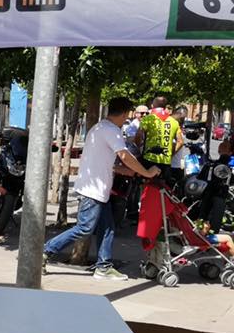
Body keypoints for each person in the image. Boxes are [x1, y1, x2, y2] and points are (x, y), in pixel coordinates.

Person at [44, 97, 160, 280]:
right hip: (93, 190)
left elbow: (101, 160)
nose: (126, 119)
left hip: (98, 188)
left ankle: (104, 267)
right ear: (123, 113)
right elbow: (124, 155)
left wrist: (123, 170)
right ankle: (45, 252)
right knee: (84, 228)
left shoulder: (98, 128)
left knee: (108, 228)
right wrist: (146, 172)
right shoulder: (112, 131)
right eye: (127, 115)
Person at [136, 96, 181, 177]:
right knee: (161, 186)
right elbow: (180, 142)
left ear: (153, 106)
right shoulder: (174, 121)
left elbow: (138, 135)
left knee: (145, 184)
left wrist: (139, 146)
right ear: (165, 106)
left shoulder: (148, 119)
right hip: (165, 161)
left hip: (148, 159)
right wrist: (171, 154)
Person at [169, 105, 189, 191]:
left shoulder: (175, 125)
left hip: (174, 165)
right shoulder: (173, 124)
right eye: (183, 116)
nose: (183, 119)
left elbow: (180, 142)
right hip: (173, 165)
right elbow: (180, 142)